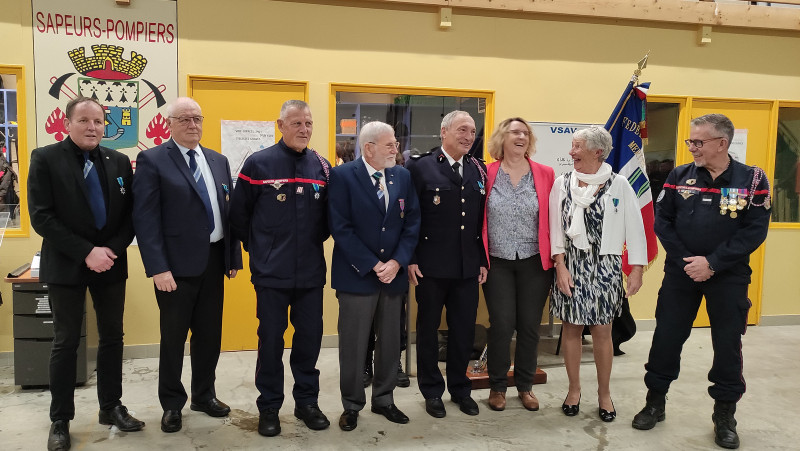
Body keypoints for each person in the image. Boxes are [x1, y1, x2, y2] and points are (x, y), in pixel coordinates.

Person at [632, 114, 771, 450]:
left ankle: (725, 415)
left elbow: (755, 230)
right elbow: (662, 222)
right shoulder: (678, 176)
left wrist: (713, 263)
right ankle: (655, 402)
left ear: (721, 144)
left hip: (729, 276)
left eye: (698, 142)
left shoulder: (752, 179)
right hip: (682, 273)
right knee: (666, 337)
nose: (692, 147)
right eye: (690, 142)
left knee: (727, 345)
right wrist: (687, 262)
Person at [28, 97, 143, 451]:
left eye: (98, 121)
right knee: (65, 342)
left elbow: (130, 216)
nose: (92, 127)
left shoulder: (119, 160)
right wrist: (86, 252)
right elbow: (42, 216)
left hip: (110, 264)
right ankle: (60, 419)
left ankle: (111, 407)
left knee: (113, 338)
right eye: (84, 120)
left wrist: (109, 251)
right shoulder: (45, 158)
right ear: (68, 123)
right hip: (66, 264)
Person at [132, 97, 242, 434]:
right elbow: (145, 218)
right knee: (173, 338)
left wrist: (232, 256)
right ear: (170, 123)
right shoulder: (152, 160)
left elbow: (229, 212)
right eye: (184, 119)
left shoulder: (218, 160)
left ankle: (204, 395)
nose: (192, 125)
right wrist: (157, 268)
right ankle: (171, 404)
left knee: (209, 336)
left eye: (197, 118)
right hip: (174, 269)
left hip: (213, 262)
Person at [229, 99, 331, 437]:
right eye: (297, 123)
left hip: (311, 275)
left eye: (308, 124)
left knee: (309, 341)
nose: (304, 129)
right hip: (271, 275)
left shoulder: (322, 166)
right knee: (270, 341)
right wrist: (263, 249)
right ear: (280, 125)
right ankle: (269, 407)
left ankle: (306, 403)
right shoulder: (258, 164)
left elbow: (328, 221)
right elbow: (239, 218)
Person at [549, 125, 646, 423]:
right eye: (572, 146)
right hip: (571, 265)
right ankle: (574, 390)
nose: (571, 152)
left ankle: (604, 393)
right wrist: (560, 264)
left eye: (577, 147)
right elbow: (555, 227)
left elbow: (635, 227)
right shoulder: (562, 183)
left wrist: (637, 269)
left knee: (603, 331)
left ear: (597, 151)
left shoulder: (619, 185)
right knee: (572, 328)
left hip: (605, 265)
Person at [328, 121, 421, 431]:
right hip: (357, 276)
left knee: (390, 343)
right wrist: (372, 264)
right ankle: (352, 404)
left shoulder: (402, 176)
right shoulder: (342, 177)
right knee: (354, 345)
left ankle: (384, 399)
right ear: (368, 148)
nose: (396, 148)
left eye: (395, 143)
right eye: (389, 144)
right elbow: (340, 227)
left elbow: (412, 224)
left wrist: (397, 261)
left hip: (393, 276)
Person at [405, 110, 488, 418]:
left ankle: (460, 388)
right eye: (462, 130)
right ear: (444, 133)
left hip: (467, 267)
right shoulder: (421, 167)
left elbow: (478, 222)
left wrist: (480, 260)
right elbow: (410, 217)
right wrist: (410, 258)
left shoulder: (478, 169)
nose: (468, 136)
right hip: (430, 266)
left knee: (463, 331)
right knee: (427, 329)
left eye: (471, 131)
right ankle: (431, 391)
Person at [481, 118, 555, 412]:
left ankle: (525, 386)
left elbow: (555, 219)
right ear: (503, 137)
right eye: (515, 132)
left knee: (529, 326)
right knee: (501, 324)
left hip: (535, 261)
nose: (521, 136)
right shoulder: (486, 173)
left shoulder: (546, 174)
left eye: (525, 133)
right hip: (496, 261)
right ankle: (497, 386)